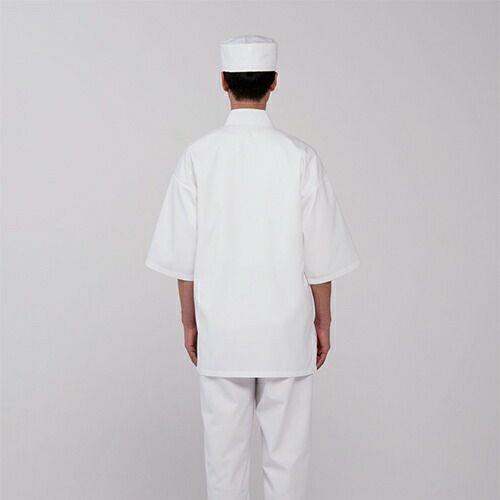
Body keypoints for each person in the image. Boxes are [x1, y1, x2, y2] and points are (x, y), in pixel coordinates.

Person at [145, 34, 360, 500]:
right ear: (274, 83)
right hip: (286, 330)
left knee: (224, 464)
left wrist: (189, 320)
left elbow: (183, 255)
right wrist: (323, 320)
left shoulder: (199, 156)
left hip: (222, 330)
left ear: (223, 81)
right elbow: (320, 255)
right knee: (287, 461)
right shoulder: (300, 157)